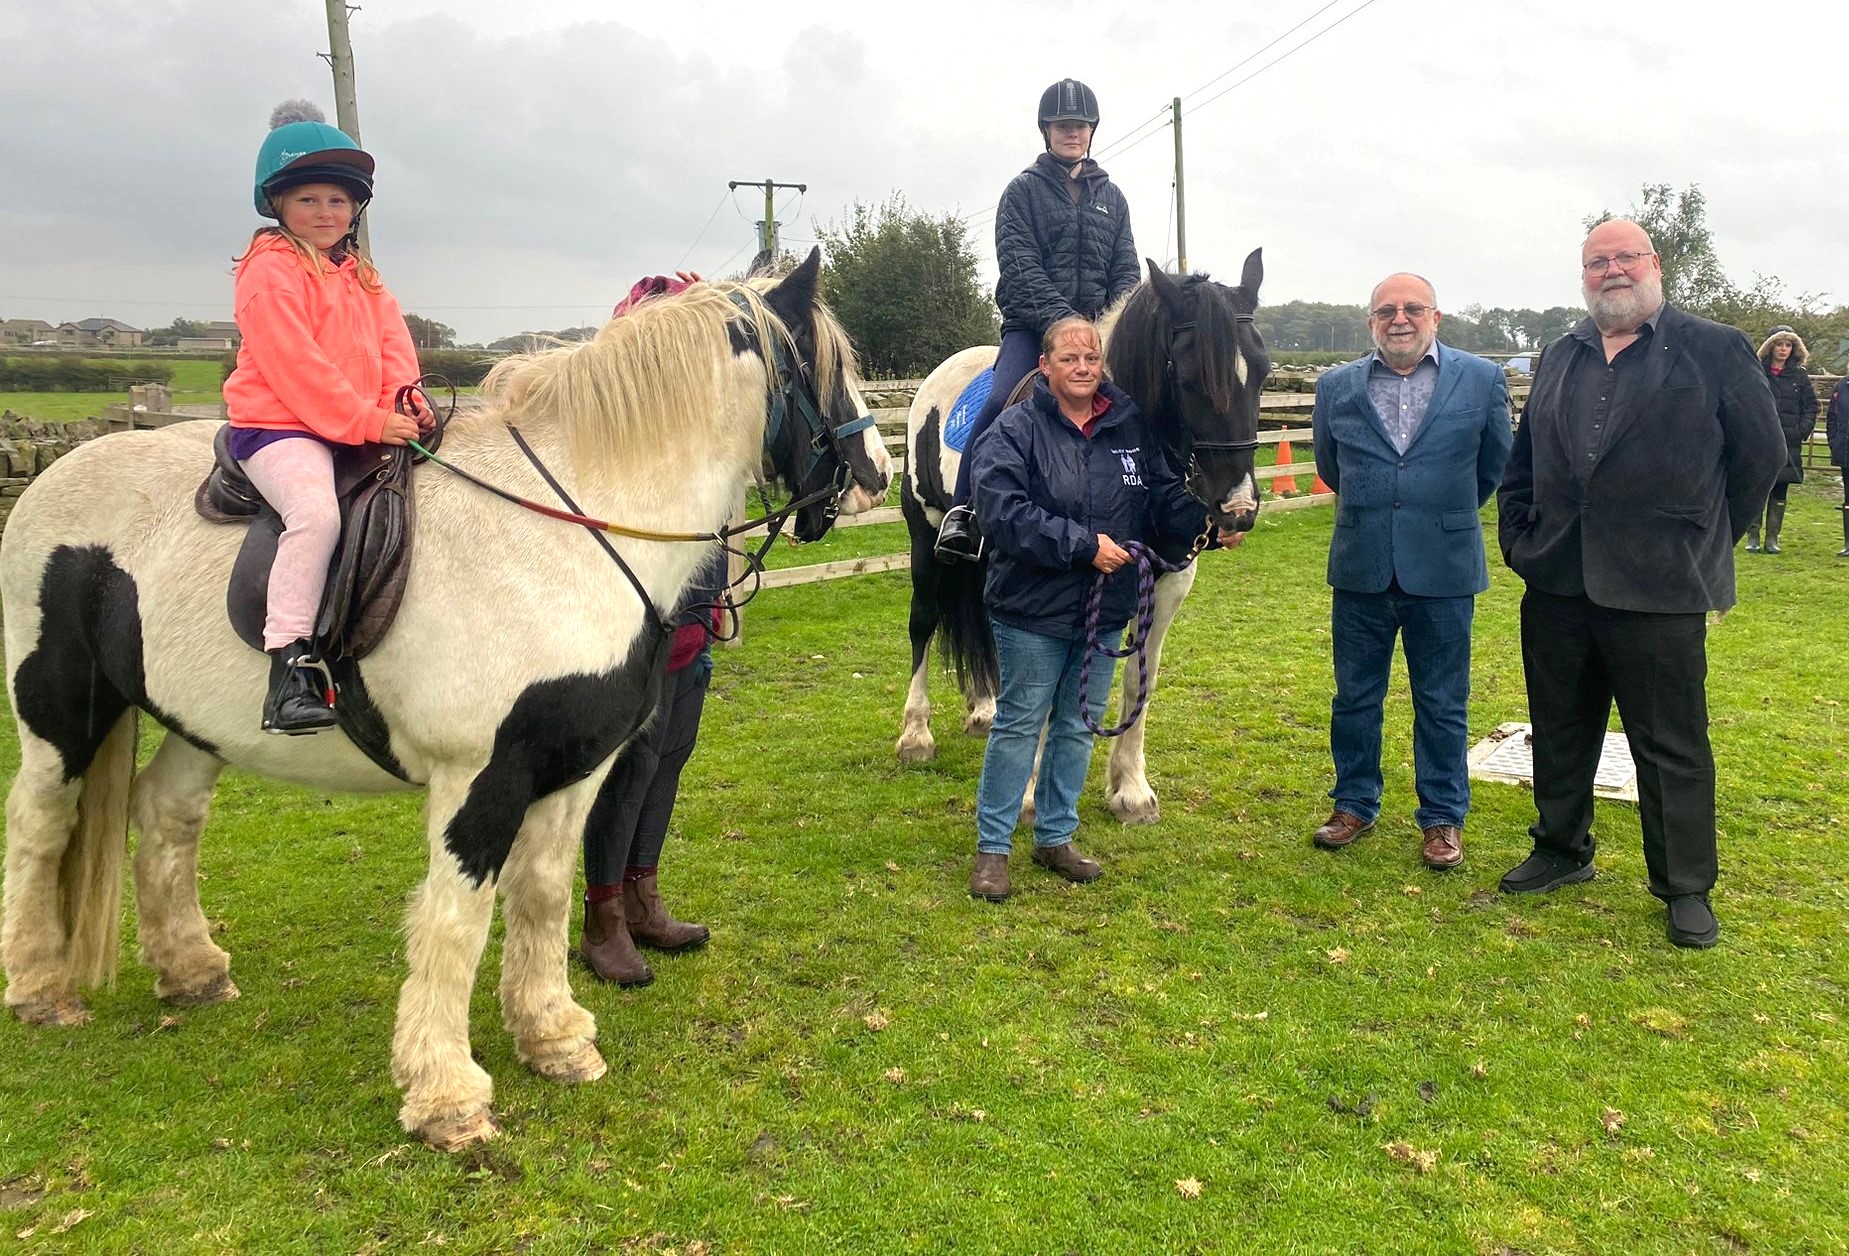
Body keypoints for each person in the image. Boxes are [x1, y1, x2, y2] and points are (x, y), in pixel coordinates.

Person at [1496, 219, 1785, 949]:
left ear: (1654, 265)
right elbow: (1523, 461)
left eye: (1625, 257)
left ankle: (1683, 886)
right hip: (1558, 582)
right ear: (1583, 274)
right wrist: (1520, 539)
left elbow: (1759, 457)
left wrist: (1703, 541)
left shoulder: (1713, 348)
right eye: (1597, 261)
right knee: (1559, 729)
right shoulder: (1562, 354)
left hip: (1660, 588)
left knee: (1669, 745)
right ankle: (1560, 849)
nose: (1611, 271)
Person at [966, 317, 1231, 901]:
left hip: (1101, 610)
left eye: (1091, 358)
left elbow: (1159, 495)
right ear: (1045, 367)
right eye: (1069, 359)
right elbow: (1004, 512)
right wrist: (1082, 545)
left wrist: (1204, 524)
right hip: (1032, 609)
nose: (1083, 368)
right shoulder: (1014, 430)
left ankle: (1056, 837)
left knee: (1077, 726)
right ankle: (993, 848)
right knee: (1017, 726)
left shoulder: (1128, 424)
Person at [223, 101, 430, 734]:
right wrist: (366, 421)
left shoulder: (361, 274)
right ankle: (289, 669)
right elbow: (295, 366)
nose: (324, 213)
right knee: (315, 515)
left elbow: (394, 347)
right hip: (280, 424)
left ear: (354, 210)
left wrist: (406, 402)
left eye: (337, 202)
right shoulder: (269, 270)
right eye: (308, 200)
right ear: (278, 205)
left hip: (356, 419)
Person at [1308, 274, 1512, 871]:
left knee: (1443, 701)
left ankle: (1443, 817)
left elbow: (1493, 465)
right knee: (1354, 697)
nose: (1400, 319)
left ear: (1436, 317)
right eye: (1386, 311)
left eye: (1412, 308)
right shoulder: (1336, 386)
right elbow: (1331, 463)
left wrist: (1436, 514)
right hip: (1361, 566)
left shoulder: (1481, 379)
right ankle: (1353, 804)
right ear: (1371, 322)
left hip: (1444, 569)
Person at [934, 78, 1141, 564]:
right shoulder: (1021, 193)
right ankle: (963, 512)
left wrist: (1108, 328)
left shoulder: (1113, 198)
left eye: (1081, 125)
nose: (1073, 133)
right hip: (1031, 328)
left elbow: (1126, 271)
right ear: (1046, 131)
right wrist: (1065, 329)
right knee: (1001, 398)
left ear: (1092, 132)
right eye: (1063, 125)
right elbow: (1020, 266)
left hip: (1100, 335)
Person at [578, 546, 729, 986]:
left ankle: (641, 899)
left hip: (693, 626)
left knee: (671, 757)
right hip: (642, 635)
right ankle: (602, 922)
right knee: (632, 769)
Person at [1744, 325, 1818, 553]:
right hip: (1761, 441)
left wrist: (1800, 431)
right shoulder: (1754, 372)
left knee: (1780, 490)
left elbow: (1811, 407)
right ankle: (1753, 536)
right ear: (1770, 346)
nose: (1783, 349)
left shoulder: (1799, 376)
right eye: (1779, 344)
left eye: (1788, 345)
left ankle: (1772, 539)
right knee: (1757, 488)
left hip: (1789, 441)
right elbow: (1744, 404)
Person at [1830, 374, 1849, 557]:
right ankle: (1848, 542)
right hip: (1845, 448)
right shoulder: (1841, 386)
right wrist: (1834, 441)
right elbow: (1832, 416)